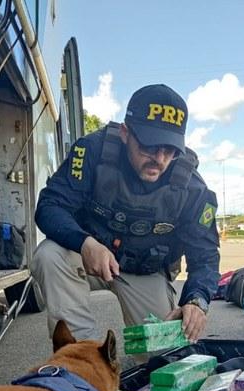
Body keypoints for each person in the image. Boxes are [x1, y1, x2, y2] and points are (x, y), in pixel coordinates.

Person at [31, 83, 220, 344]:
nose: (160, 158)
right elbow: (50, 206)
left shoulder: (191, 187)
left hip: (144, 271)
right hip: (88, 258)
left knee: (161, 357)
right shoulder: (92, 152)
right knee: (49, 255)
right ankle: (80, 356)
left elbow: (205, 255)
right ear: (125, 133)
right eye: (150, 146)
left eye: (170, 149)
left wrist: (196, 301)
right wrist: (85, 243)